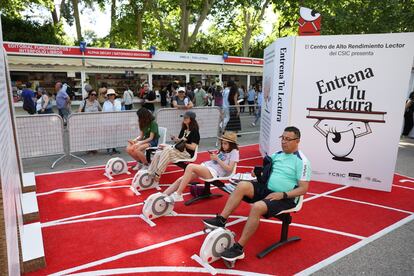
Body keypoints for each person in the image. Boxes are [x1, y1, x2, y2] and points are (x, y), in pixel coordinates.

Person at [203, 126, 311, 262]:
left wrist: (282, 194)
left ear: (297, 141)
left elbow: (303, 189)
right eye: (282, 138)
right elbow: (265, 170)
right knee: (242, 185)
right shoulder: (277, 155)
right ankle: (221, 219)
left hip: (285, 197)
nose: (284, 142)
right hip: (267, 189)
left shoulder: (302, 161)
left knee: (257, 207)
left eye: (288, 139)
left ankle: (238, 248)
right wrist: (257, 173)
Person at [164, 131, 239, 202]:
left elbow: (229, 169)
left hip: (213, 172)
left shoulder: (234, 152)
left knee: (190, 166)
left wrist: (217, 159)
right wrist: (214, 157)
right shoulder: (223, 150)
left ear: (231, 144)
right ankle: (162, 196)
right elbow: (217, 160)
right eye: (222, 143)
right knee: (181, 180)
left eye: (225, 144)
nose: (223, 145)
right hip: (207, 167)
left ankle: (178, 194)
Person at [146, 111, 200, 182]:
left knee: (167, 149)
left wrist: (183, 143)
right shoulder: (184, 129)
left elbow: (193, 147)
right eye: (183, 117)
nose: (184, 119)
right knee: (159, 152)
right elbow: (180, 142)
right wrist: (177, 140)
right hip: (179, 151)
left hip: (187, 154)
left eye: (186, 118)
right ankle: (150, 172)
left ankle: (158, 174)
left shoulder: (195, 131)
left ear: (191, 120)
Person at [103, 89, 122, 154]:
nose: (111, 96)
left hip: (116, 121)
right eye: (109, 95)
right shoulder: (105, 103)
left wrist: (113, 104)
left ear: (114, 95)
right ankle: (109, 148)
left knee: (115, 135)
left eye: (112, 95)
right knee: (108, 135)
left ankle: (114, 148)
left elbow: (118, 110)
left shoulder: (118, 102)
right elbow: (104, 112)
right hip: (108, 122)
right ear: (108, 96)